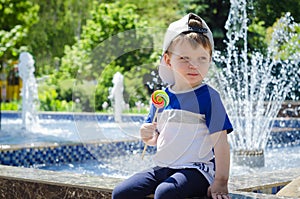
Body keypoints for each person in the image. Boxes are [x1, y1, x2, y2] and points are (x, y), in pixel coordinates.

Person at [112, 13, 233, 199]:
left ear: (210, 60)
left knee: (165, 193)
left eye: (202, 58)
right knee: (121, 193)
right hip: (165, 166)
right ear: (168, 61)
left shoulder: (209, 97)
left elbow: (221, 144)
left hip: (197, 170)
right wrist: (147, 135)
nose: (194, 65)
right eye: (184, 58)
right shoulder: (161, 98)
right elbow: (155, 138)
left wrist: (221, 181)